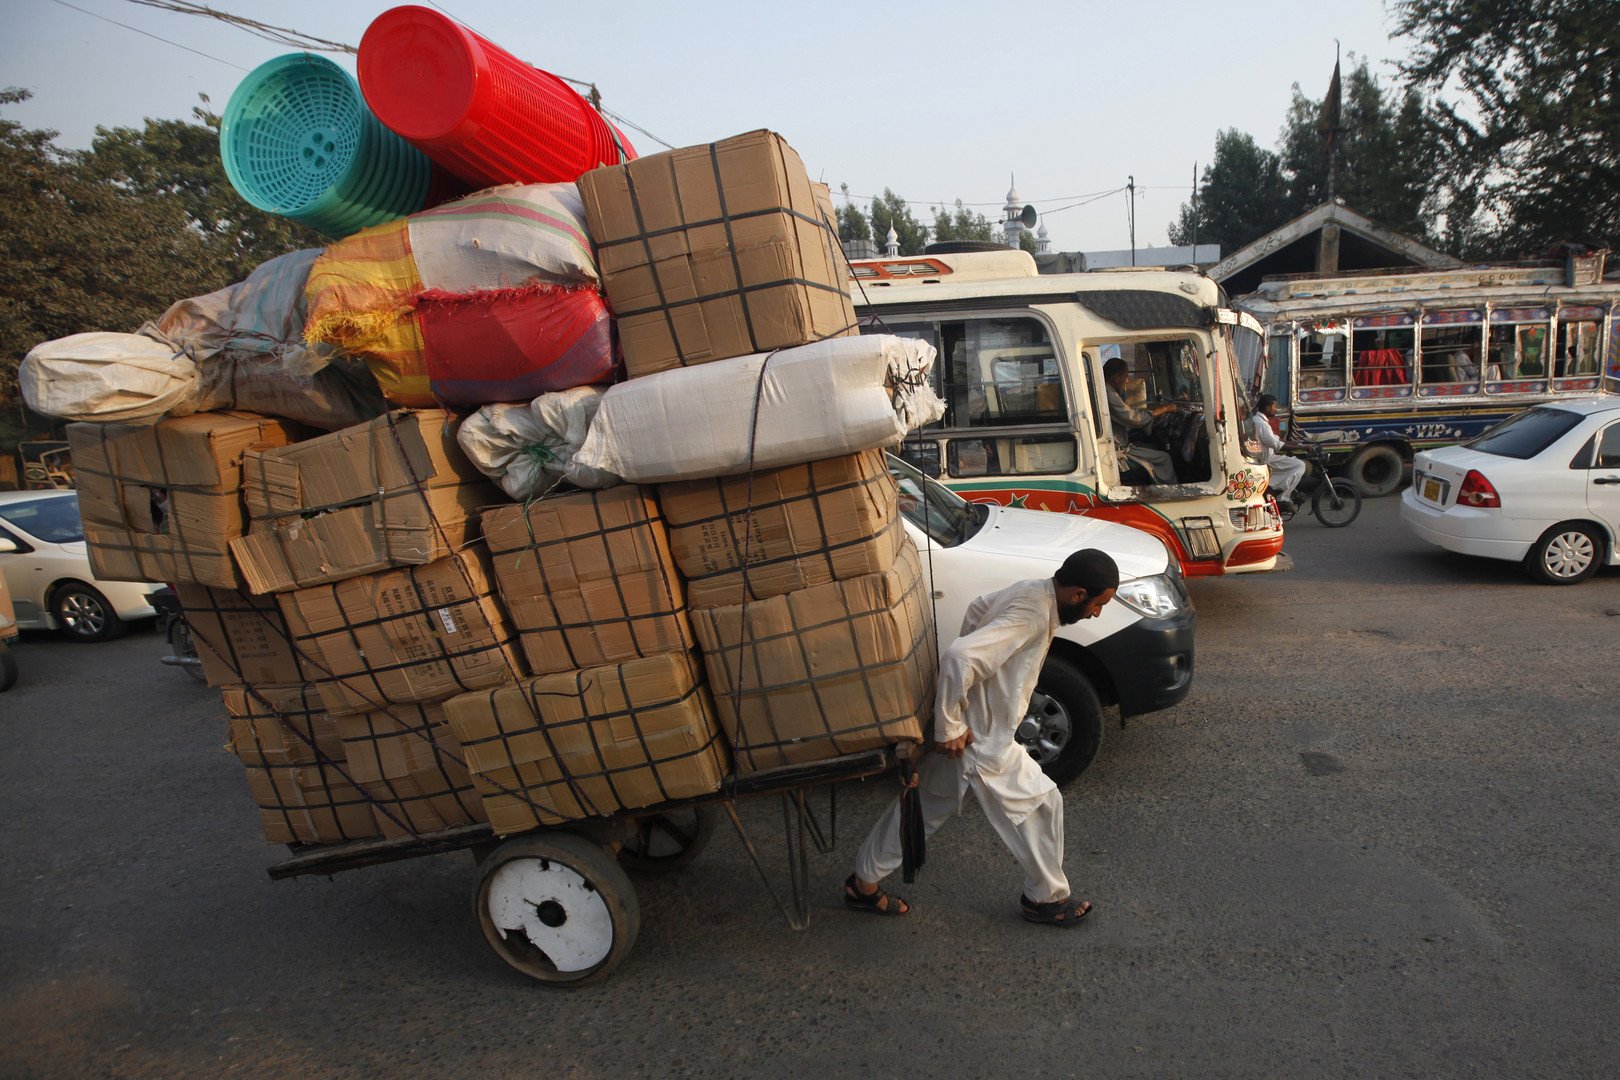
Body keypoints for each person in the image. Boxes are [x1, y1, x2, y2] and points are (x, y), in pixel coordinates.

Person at [843, 549, 1119, 926]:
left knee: (923, 807)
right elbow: (960, 656)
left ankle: (864, 884)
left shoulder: (1033, 590)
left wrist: (961, 708)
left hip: (973, 732)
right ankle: (1046, 900)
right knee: (1042, 805)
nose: (1096, 613)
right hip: (983, 741)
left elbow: (977, 609)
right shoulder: (1033, 614)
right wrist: (950, 727)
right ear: (1078, 594)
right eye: (1098, 604)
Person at [1102, 358, 1178, 484]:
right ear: (1116, 378)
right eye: (1125, 377)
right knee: (1165, 458)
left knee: (1151, 446)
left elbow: (1128, 413)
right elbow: (1133, 419)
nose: (1127, 382)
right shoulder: (1107, 393)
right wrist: (1164, 409)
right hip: (1115, 450)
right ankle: (1169, 496)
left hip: (1120, 444)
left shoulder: (1107, 391)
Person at [1250, 395, 1305, 507]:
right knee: (1300, 465)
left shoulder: (1259, 420)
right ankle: (1283, 497)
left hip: (1267, 458)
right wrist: (1302, 448)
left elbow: (1275, 438)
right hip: (1267, 460)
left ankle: (1274, 488)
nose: (1276, 409)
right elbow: (1275, 444)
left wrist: (1294, 444)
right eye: (1274, 406)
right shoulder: (1261, 424)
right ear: (1267, 408)